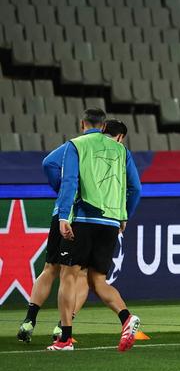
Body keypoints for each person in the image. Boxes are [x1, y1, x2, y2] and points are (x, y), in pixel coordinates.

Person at [47, 110, 142, 351]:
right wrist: (124, 216)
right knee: (98, 280)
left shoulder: (76, 145)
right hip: (110, 222)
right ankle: (126, 318)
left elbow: (69, 181)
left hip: (83, 217)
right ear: (118, 136)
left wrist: (63, 217)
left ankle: (65, 338)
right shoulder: (123, 151)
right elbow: (136, 188)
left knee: (68, 276)